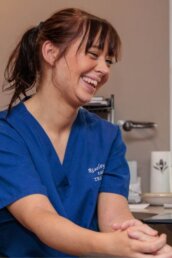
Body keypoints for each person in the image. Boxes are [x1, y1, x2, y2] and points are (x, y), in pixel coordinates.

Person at [0, 7, 172, 258]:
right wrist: (112, 245)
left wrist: (142, 242)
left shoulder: (106, 136)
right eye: (93, 55)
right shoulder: (8, 133)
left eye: (108, 61)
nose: (104, 69)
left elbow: (114, 218)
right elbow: (41, 218)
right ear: (50, 52)